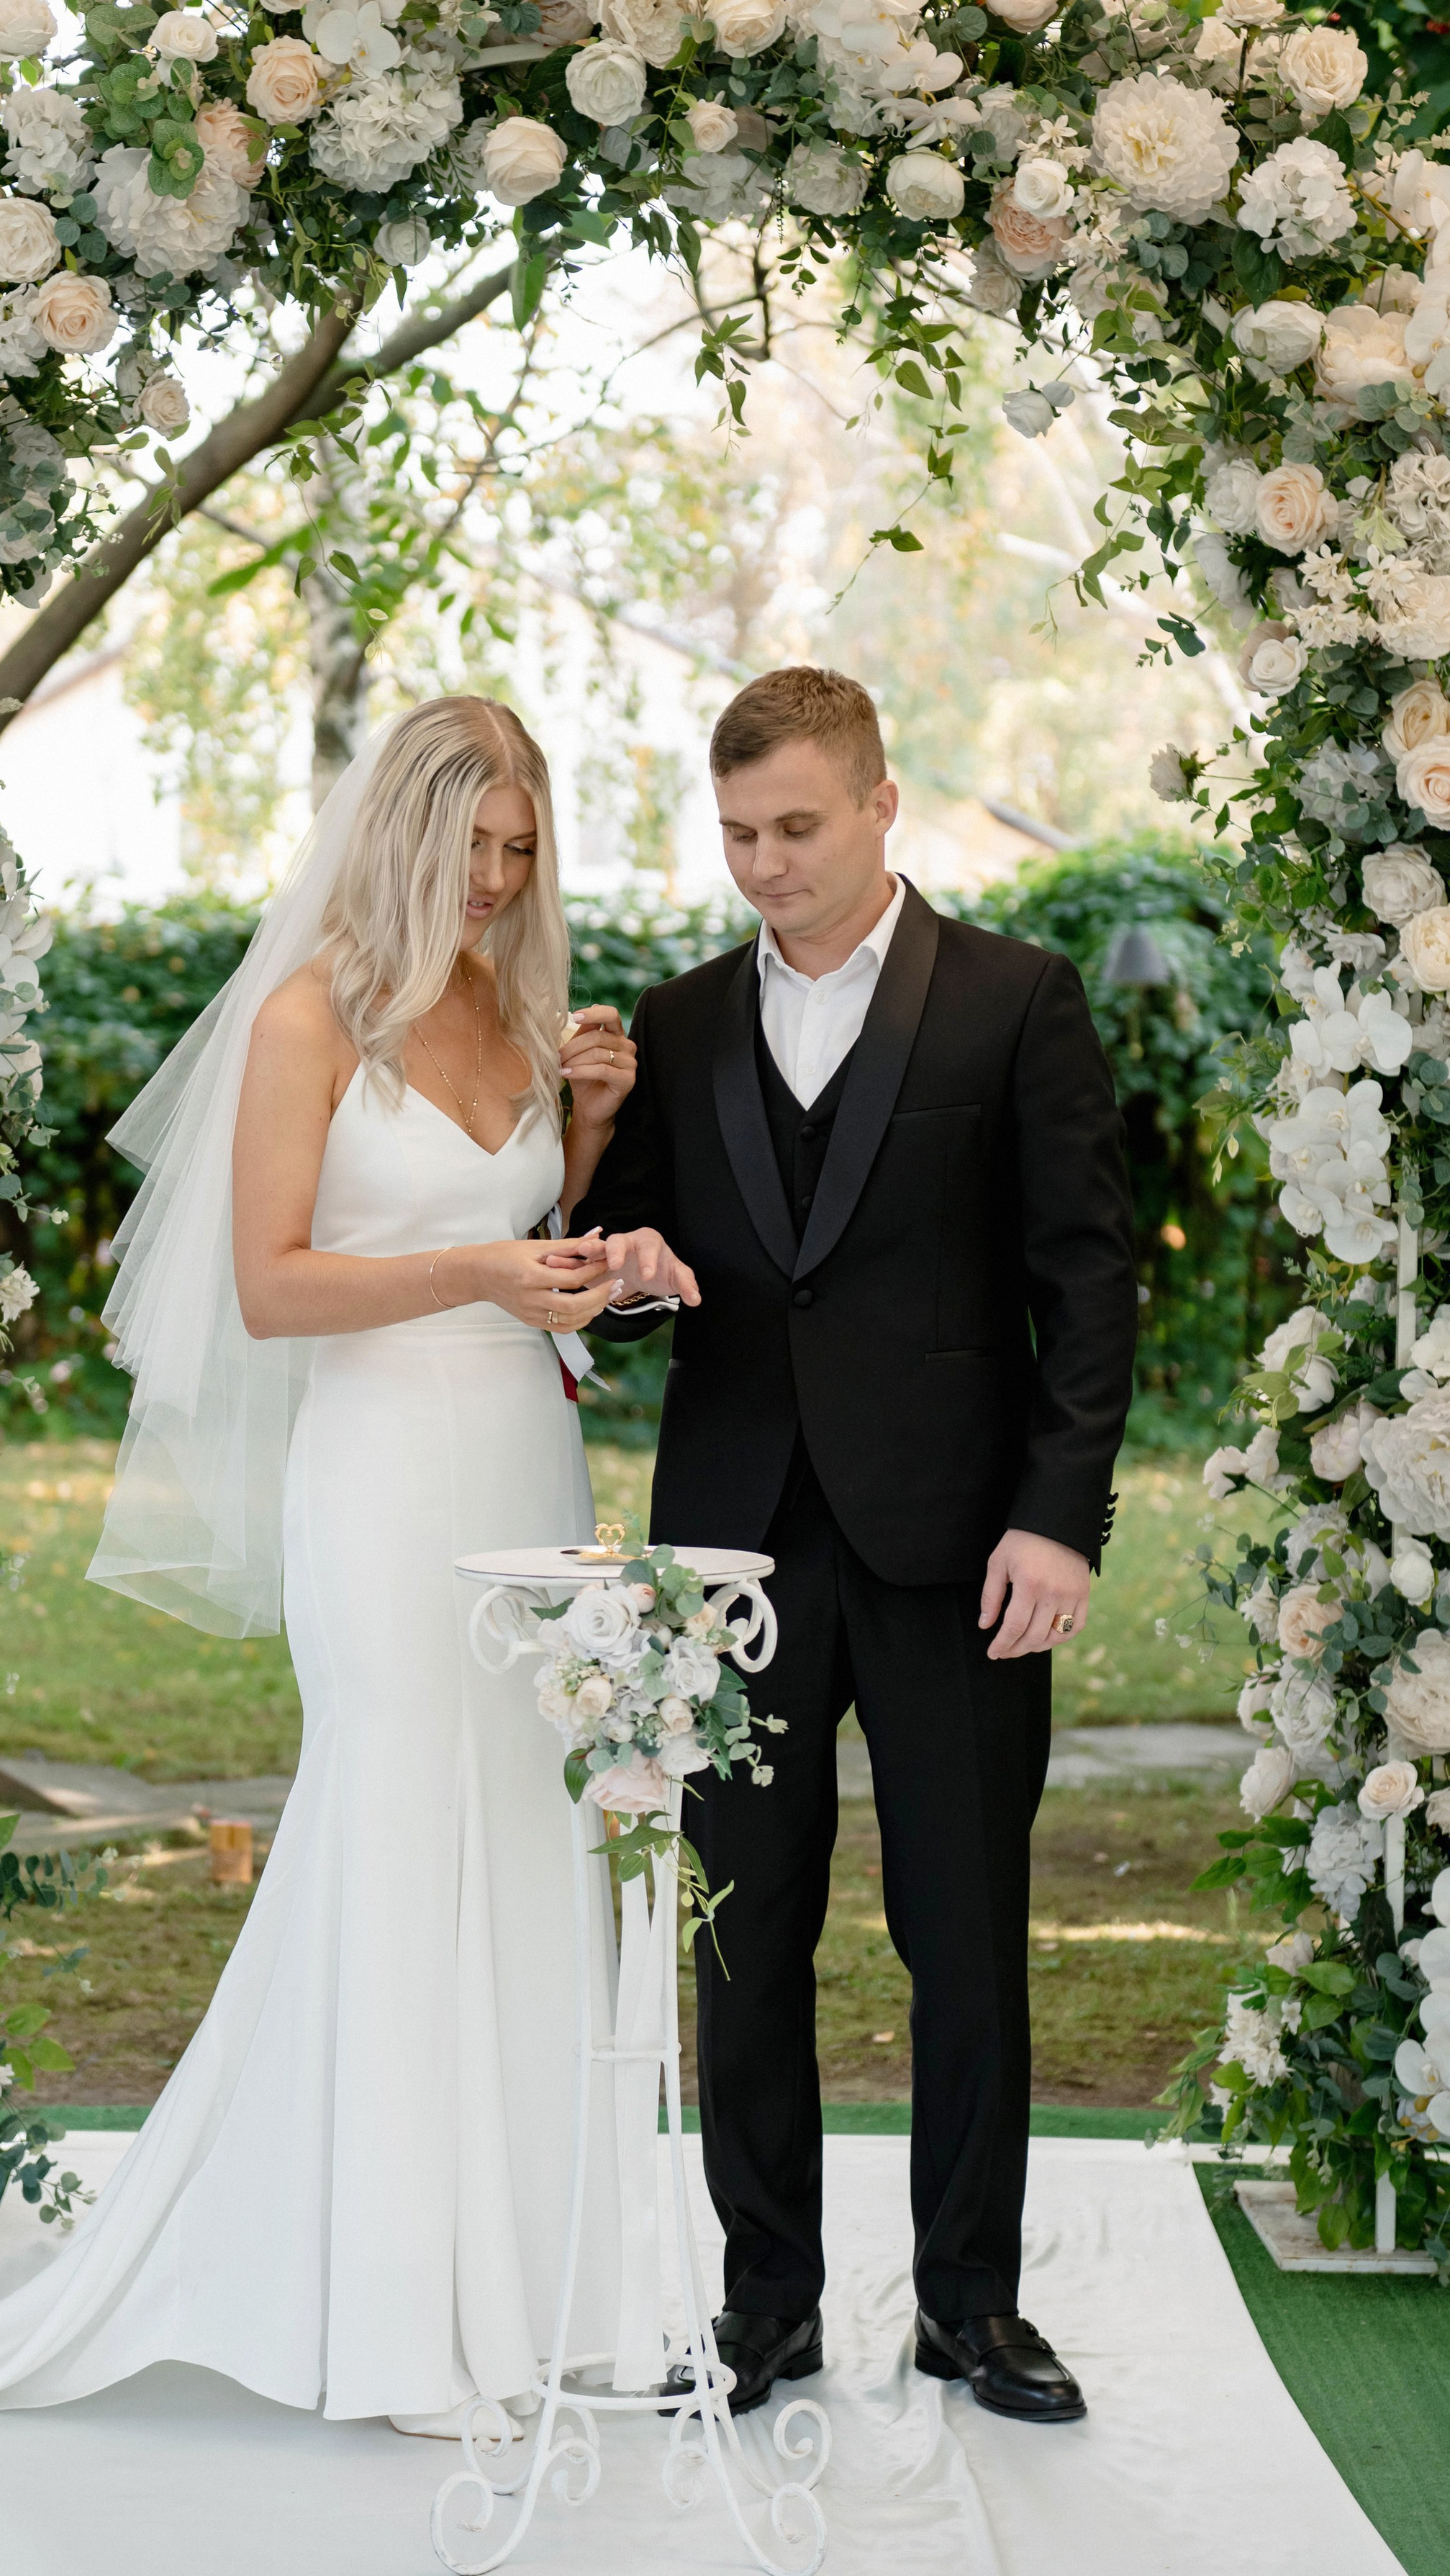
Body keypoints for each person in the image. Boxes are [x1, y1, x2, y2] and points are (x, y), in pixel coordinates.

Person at [0, 695, 655, 2444]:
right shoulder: (312, 1014)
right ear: (395, 832)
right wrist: (483, 1269)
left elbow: (515, 1251)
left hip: (520, 1466)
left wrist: (592, 1164)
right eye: (468, 845)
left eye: (520, 850)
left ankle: (525, 2287)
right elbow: (275, 1283)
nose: (492, 880)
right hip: (383, 1478)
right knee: (400, 1834)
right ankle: (398, 2324)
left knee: (524, 1832)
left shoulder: (516, 1004)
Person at [584, 666, 1136, 2429]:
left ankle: (970, 2308)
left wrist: (1058, 1516)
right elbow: (609, 1257)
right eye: (737, 832)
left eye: (797, 827)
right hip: (733, 1558)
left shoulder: (1013, 1001)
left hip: (961, 1549)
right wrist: (618, 1228)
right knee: (741, 1945)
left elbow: (1087, 1282)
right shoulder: (672, 1022)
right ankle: (765, 2309)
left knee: (961, 1936)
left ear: (881, 803)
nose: (764, 863)